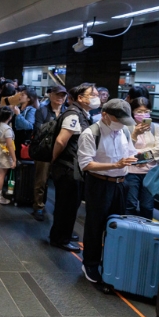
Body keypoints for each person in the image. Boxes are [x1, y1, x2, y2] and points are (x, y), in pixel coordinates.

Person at [77, 99, 139, 283]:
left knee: (117, 225)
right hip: (98, 183)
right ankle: (90, 263)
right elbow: (86, 164)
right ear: (104, 114)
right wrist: (115, 164)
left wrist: (137, 159)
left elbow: (130, 152)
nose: (120, 124)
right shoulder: (90, 133)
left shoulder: (124, 131)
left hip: (121, 183)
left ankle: (112, 262)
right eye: (117, 119)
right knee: (95, 226)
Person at [49, 83, 98, 252]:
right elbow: (61, 141)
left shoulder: (82, 114)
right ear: (80, 98)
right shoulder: (74, 115)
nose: (97, 98)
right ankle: (60, 238)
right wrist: (54, 160)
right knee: (67, 205)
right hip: (68, 168)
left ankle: (64, 233)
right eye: (93, 95)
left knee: (69, 204)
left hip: (72, 167)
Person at [124, 97, 159, 219]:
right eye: (139, 111)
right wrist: (135, 135)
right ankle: (127, 229)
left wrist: (141, 158)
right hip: (130, 172)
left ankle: (147, 232)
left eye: (146, 111)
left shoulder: (156, 128)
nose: (143, 114)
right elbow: (124, 149)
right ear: (132, 112)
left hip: (151, 173)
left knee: (147, 205)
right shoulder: (126, 128)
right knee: (130, 204)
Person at [32, 85, 67, 221]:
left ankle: (56, 208)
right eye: (57, 95)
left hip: (61, 152)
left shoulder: (67, 112)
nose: (60, 98)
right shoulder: (43, 111)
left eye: (63, 95)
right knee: (41, 180)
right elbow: (38, 129)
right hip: (44, 151)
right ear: (51, 95)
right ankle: (38, 206)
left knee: (58, 181)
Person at [0, 107, 17, 205]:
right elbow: (10, 145)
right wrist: (14, 160)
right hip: (3, 153)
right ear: (10, 117)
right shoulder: (7, 129)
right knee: (1, 175)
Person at [12, 89, 38, 157]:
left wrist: (18, 115)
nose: (20, 96)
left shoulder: (31, 110)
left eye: (22, 95)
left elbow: (29, 125)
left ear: (29, 99)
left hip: (23, 141)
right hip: (15, 139)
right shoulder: (18, 108)